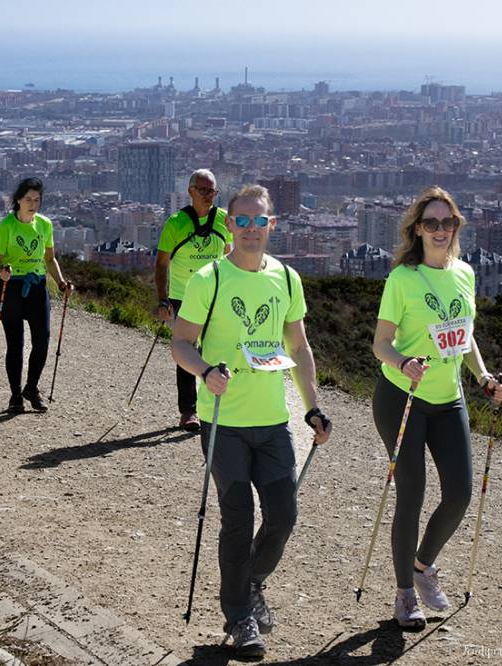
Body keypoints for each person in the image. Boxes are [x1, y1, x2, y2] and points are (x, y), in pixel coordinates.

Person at [171, 184, 332, 659]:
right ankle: (239, 615)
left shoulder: (286, 279)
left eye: (259, 222)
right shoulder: (208, 279)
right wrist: (203, 370)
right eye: (241, 221)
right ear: (229, 224)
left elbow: (299, 348)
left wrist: (313, 407)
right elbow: (180, 342)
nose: (249, 230)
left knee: (284, 515)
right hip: (223, 421)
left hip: (273, 420)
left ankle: (252, 581)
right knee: (238, 519)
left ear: (272, 225)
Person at [371, 186, 502, 629]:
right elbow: (381, 343)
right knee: (411, 495)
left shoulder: (465, 274)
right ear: (417, 229)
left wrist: (484, 378)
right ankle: (404, 594)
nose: (439, 229)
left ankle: (422, 565)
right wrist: (403, 362)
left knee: (460, 493)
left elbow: (463, 336)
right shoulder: (403, 278)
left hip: (448, 397)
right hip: (402, 398)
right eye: (430, 222)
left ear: (456, 228)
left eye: (447, 222)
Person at [156, 169, 232, 431]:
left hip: (216, 296)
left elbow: (229, 257)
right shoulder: (176, 223)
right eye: (203, 190)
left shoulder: (224, 220)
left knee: (219, 349)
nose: (209, 195)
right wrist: (162, 300)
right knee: (187, 351)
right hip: (182, 297)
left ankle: (217, 404)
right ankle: (188, 411)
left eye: (212, 191)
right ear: (190, 192)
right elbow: (161, 263)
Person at [0, 177, 71, 413]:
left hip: (37, 287)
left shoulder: (45, 224)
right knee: (15, 344)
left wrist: (61, 282)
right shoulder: (7, 225)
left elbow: (50, 258)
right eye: (28, 199)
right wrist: (1, 271)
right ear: (18, 200)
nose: (33, 203)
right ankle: (15, 395)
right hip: (13, 287)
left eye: (37, 199)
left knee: (42, 341)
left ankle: (31, 387)